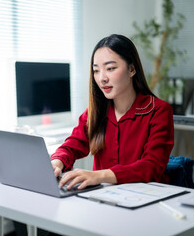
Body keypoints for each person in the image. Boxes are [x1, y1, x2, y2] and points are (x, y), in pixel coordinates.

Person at [51, 34, 174, 190]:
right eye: (96, 70)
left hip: (146, 199)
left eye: (110, 68)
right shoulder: (95, 112)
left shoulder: (159, 111)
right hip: (103, 199)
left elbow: (152, 166)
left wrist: (98, 176)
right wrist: (57, 162)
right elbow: (72, 145)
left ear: (131, 69)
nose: (102, 78)